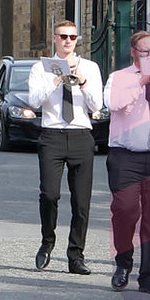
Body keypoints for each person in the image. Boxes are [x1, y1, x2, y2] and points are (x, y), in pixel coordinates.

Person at [29, 21, 104, 274]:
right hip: (52, 135)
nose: (68, 41)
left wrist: (81, 81)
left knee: (81, 202)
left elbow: (96, 106)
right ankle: (47, 242)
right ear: (54, 38)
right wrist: (56, 80)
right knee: (49, 194)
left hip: (81, 135)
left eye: (72, 37)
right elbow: (34, 101)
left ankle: (76, 254)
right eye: (63, 36)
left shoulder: (90, 68)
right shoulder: (41, 67)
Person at [104, 31, 150, 294]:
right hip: (126, 156)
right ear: (133, 52)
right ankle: (123, 264)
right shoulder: (119, 78)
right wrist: (142, 82)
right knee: (124, 211)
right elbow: (114, 104)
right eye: (145, 52)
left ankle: (149, 275)